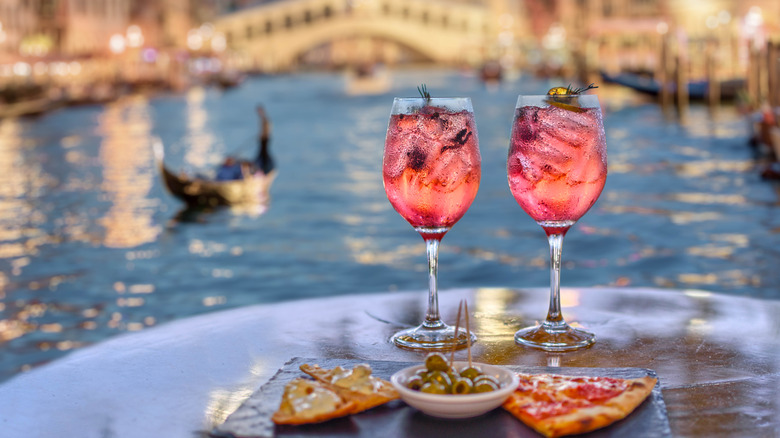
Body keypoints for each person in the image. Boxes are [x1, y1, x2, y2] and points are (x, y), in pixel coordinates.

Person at [255, 105, 275, 175]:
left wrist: (263, 136)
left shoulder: (265, 119)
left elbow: (267, 130)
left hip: (265, 139)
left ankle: (265, 168)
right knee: (262, 153)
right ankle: (262, 167)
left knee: (264, 153)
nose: (258, 113)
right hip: (264, 138)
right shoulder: (263, 119)